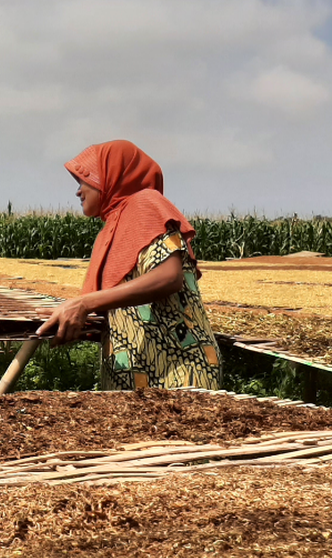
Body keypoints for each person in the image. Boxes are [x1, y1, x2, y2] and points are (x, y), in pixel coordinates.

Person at [37, 140, 221, 391]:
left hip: (177, 369)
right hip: (133, 377)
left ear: (111, 176)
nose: (78, 192)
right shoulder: (112, 229)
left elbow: (168, 277)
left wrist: (84, 304)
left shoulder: (146, 205)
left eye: (84, 181)